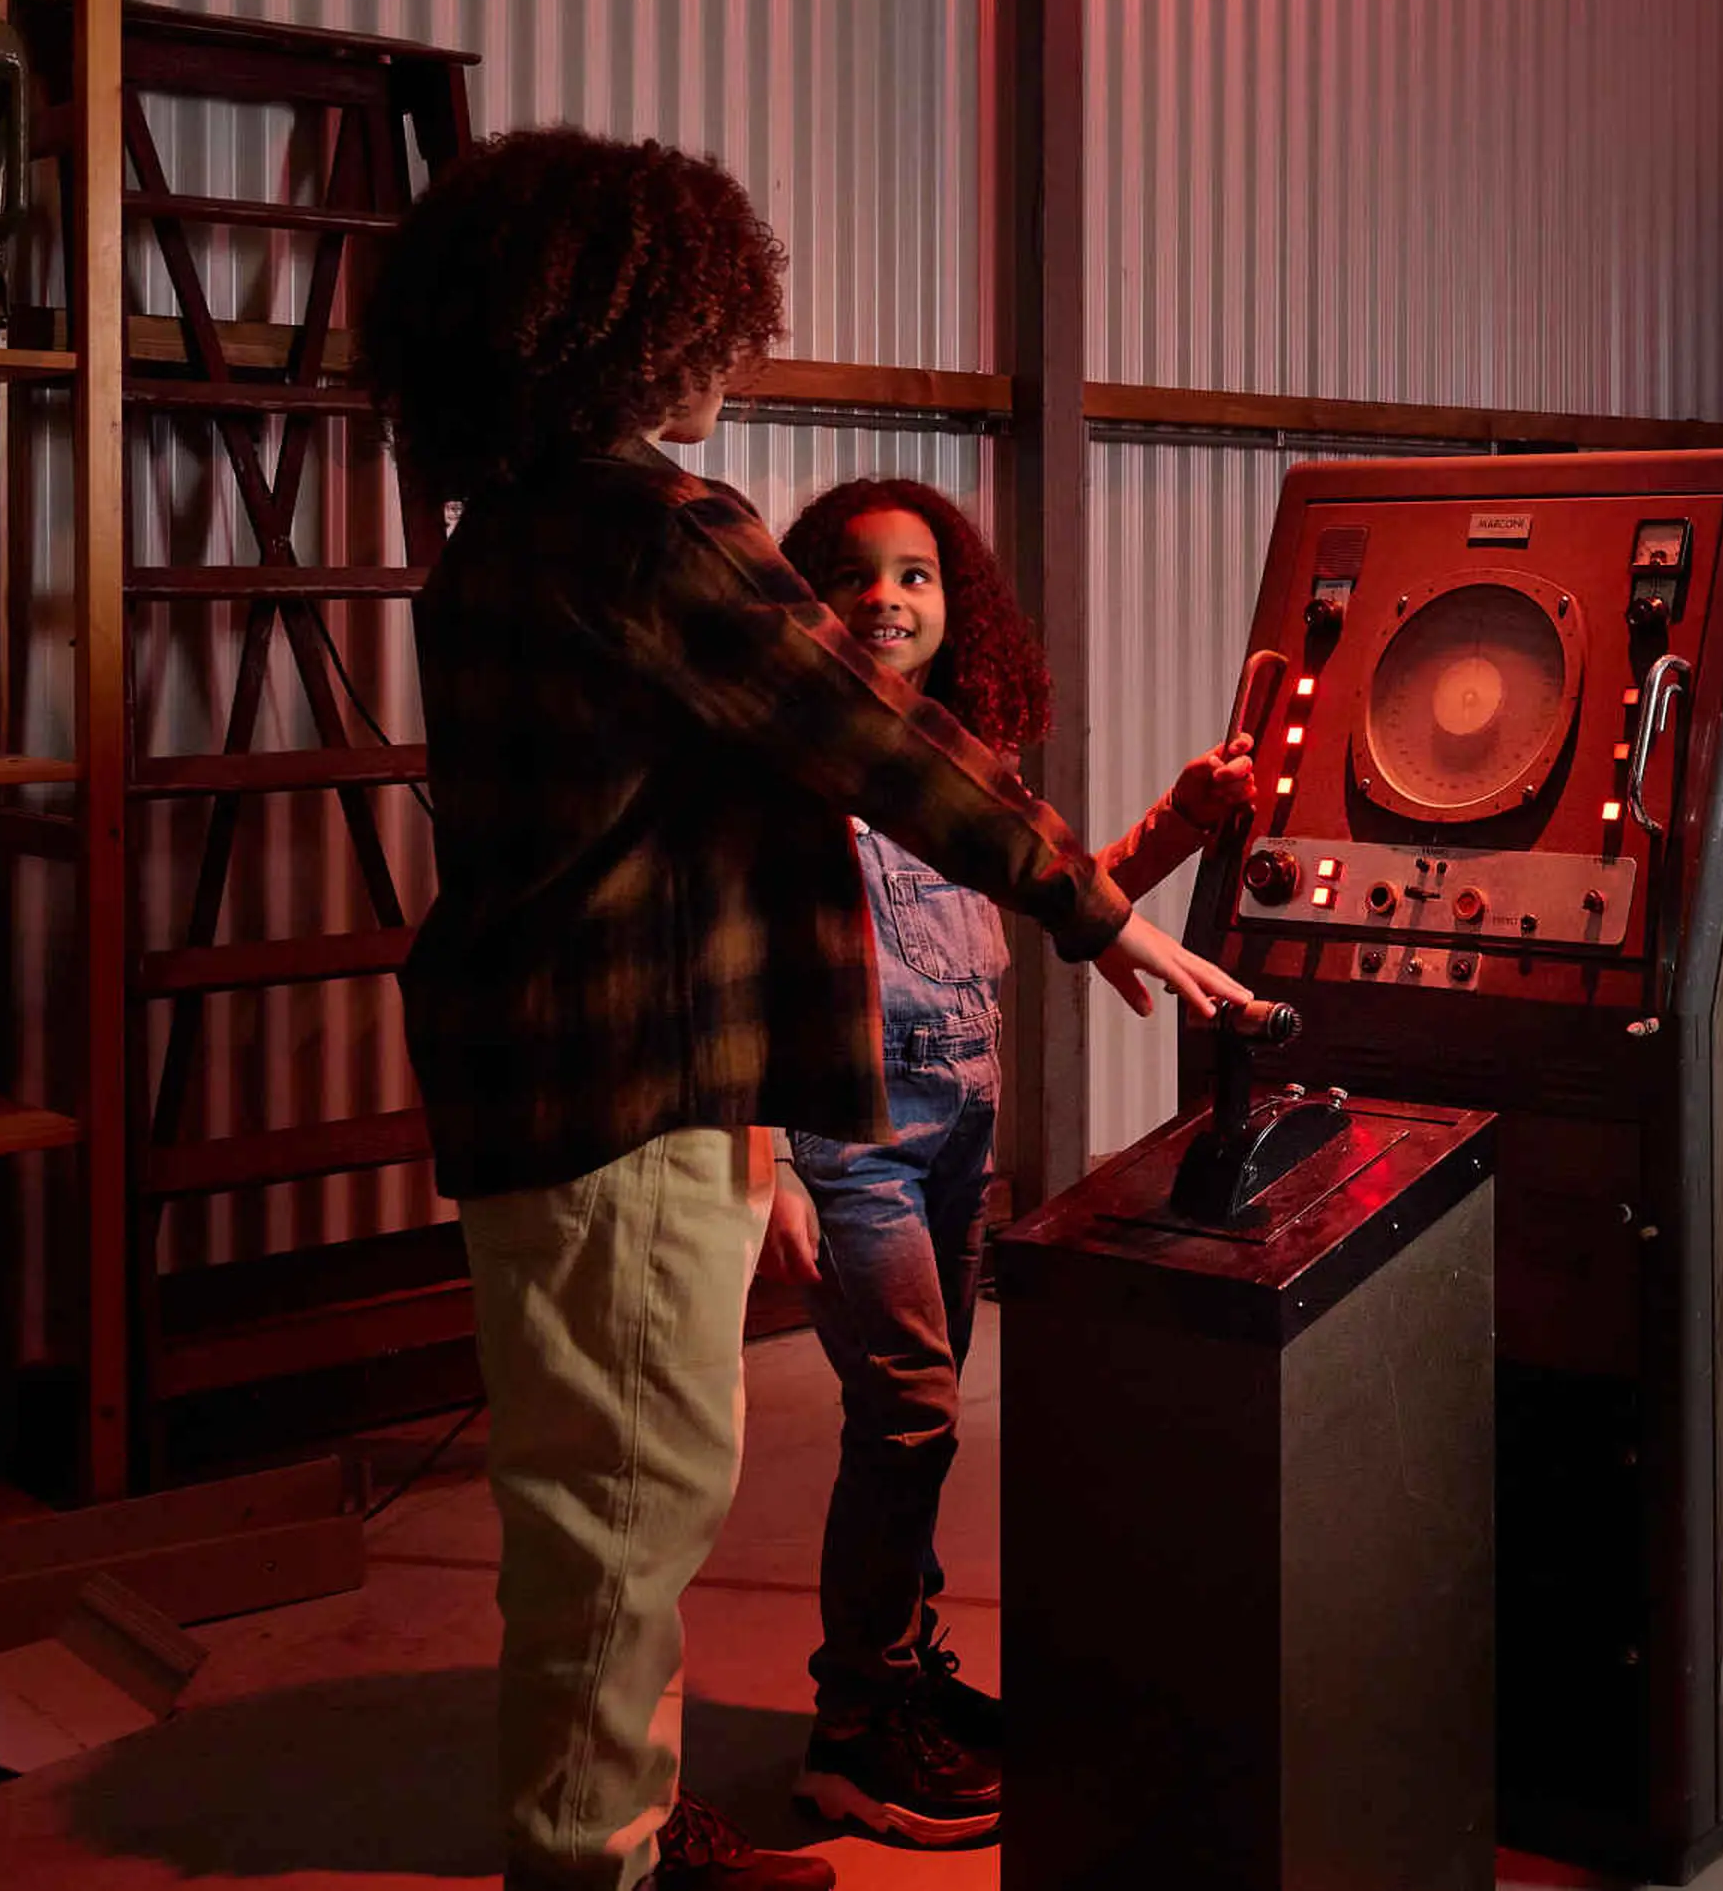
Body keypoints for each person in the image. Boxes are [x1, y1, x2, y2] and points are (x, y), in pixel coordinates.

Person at [364, 129, 1251, 1891]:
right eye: (707, 319)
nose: (729, 355)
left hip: (552, 1082)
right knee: (630, 1497)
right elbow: (873, 734)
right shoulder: (650, 525)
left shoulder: (501, 533)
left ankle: (621, 1812)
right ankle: (597, 1858)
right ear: (613, 323)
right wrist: (1095, 913)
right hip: (625, 1090)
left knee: (612, 1481)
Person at [761, 480, 1255, 1851]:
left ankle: (903, 1673)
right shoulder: (791, 767)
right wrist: (767, 1164)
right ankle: (851, 1734)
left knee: (917, 1420)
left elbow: (1067, 888)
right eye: (856, 575)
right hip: (846, 1133)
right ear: (807, 599)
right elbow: (734, 961)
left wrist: (1178, 816)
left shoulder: (962, 761)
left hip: (959, 1136)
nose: (886, 598)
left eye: (916, 575)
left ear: (955, 606)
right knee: (909, 1408)